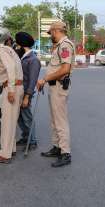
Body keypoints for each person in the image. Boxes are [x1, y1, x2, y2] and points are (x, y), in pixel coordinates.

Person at [37, 21, 75, 167]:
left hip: (59, 87)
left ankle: (65, 153)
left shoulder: (65, 45)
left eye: (50, 33)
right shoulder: (58, 46)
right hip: (54, 87)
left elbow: (65, 69)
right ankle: (57, 147)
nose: (50, 36)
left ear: (56, 31)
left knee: (60, 121)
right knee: (54, 120)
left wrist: (45, 79)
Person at [14, 32, 41, 149]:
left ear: (21, 45)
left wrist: (27, 96)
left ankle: (32, 141)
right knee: (19, 117)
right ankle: (26, 137)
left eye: (17, 44)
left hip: (26, 93)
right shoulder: (22, 57)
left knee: (27, 117)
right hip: (19, 92)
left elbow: (32, 80)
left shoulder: (33, 59)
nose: (16, 46)